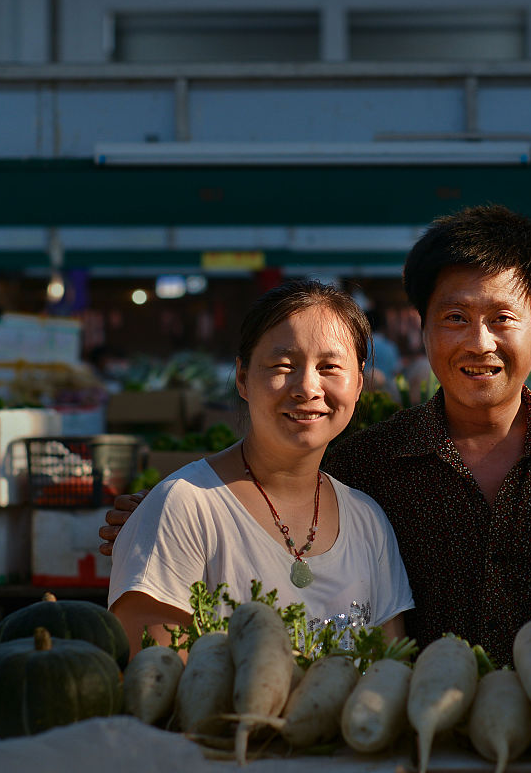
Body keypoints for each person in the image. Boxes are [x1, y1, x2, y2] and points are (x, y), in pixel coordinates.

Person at [102, 206, 531, 665]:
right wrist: (166, 514)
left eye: (502, 318)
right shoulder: (369, 462)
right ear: (422, 328)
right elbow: (276, 497)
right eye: (454, 318)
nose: (479, 343)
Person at [109, 280, 414, 658]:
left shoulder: (368, 522)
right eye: (283, 365)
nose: (307, 387)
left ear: (358, 385)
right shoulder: (183, 509)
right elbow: (155, 686)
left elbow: (389, 676)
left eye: (330, 367)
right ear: (242, 378)